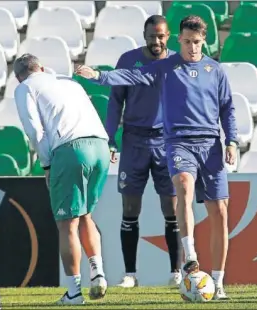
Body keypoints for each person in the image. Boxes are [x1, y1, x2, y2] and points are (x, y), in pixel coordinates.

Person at [74, 15, 238, 300]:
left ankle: (218, 281)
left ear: (204, 41)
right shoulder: (166, 66)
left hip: (210, 143)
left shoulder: (215, 69)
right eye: (186, 42)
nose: (191, 48)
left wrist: (232, 140)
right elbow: (131, 76)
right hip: (175, 142)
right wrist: (99, 76)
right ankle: (188, 258)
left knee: (220, 212)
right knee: (181, 188)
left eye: (196, 42)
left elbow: (228, 108)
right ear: (179, 40)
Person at [13, 53, 110, 305]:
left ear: (17, 77)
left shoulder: (25, 88)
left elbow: (34, 130)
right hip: (100, 146)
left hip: (70, 150)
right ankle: (97, 271)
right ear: (43, 67)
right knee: (86, 214)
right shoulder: (68, 81)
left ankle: (75, 293)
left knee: (68, 224)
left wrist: (46, 164)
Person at [106, 15, 181, 288]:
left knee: (171, 207)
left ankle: (176, 272)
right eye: (152, 36)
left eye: (161, 36)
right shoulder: (128, 60)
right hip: (134, 141)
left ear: (168, 36)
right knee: (130, 208)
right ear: (145, 35)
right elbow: (115, 102)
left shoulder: (177, 62)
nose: (156, 41)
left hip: (167, 142)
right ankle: (130, 274)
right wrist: (110, 139)